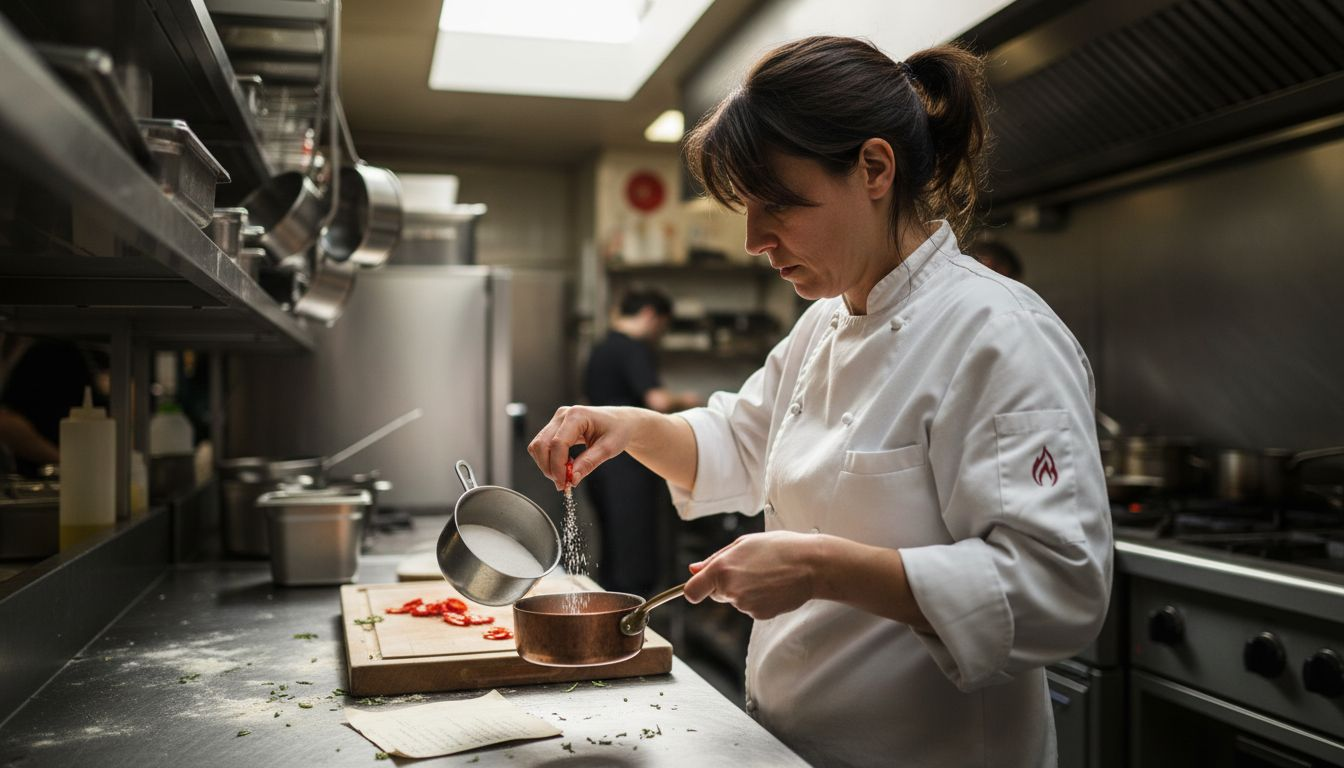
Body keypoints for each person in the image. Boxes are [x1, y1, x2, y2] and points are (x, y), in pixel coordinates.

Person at [530, 36, 1111, 768]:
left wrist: (822, 568)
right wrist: (623, 425)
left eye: (775, 204)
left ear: (873, 168)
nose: (752, 240)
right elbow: (738, 444)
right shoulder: (825, 322)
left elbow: (1058, 589)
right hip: (788, 745)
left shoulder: (998, 333)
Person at [582, 288, 700, 596]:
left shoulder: (602, 347)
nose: (659, 334)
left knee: (613, 545)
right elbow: (657, 400)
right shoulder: (633, 349)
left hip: (595, 460)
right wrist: (686, 399)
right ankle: (632, 622)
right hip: (626, 461)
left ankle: (608, 614)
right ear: (649, 314)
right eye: (662, 326)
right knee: (635, 549)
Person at [0, 339, 110, 477]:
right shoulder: (45, 351)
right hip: (47, 474)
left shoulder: (55, 350)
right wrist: (70, 465)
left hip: (72, 473)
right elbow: (6, 422)